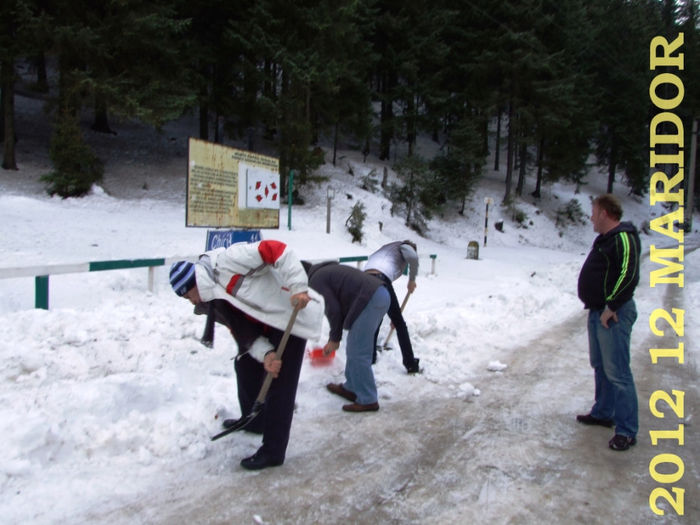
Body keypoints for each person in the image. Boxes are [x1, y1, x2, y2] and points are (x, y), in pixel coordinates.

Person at [169, 240, 324, 470]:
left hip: (292, 311)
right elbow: (244, 333)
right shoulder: (214, 298)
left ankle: (273, 451)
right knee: (245, 364)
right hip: (265, 325)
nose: (192, 302)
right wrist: (266, 354)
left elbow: (276, 249)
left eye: (188, 296)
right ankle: (255, 421)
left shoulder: (228, 261)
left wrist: (298, 286)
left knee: (279, 383)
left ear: (192, 284)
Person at [576, 194, 641, 451]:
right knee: (601, 365)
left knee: (618, 372)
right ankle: (603, 412)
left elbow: (629, 274)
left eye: (593, 211)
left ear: (604, 212)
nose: (591, 217)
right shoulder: (606, 239)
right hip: (598, 311)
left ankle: (627, 430)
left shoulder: (624, 237)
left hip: (613, 313)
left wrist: (611, 306)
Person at [305, 260, 390, 412]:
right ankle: (352, 387)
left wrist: (334, 339)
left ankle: (368, 399)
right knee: (354, 346)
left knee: (358, 351)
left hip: (371, 298)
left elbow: (333, 310)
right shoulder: (325, 272)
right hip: (378, 295)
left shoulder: (315, 281)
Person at [364, 240, 420, 373]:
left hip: (364, 280)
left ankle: (370, 356)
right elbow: (413, 257)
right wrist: (412, 280)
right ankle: (410, 363)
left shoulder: (386, 247)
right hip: (380, 278)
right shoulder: (404, 246)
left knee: (375, 319)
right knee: (400, 324)